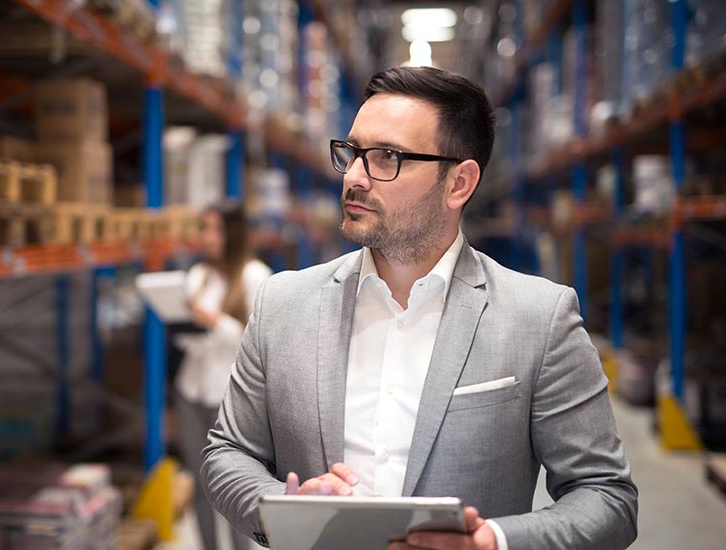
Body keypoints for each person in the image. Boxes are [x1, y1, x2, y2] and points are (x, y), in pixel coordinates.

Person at [200, 66, 638, 550]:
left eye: (387, 157)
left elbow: (607, 496)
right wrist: (284, 506)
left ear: (459, 184)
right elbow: (228, 452)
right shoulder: (284, 303)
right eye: (352, 153)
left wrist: (489, 541)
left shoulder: (539, 318)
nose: (355, 176)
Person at [174, 202, 271, 550]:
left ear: (233, 232)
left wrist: (212, 320)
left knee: (233, 486)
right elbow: (185, 339)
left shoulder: (254, 275)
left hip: (229, 396)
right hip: (191, 389)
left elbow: (256, 340)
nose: (207, 237)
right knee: (200, 484)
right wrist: (182, 322)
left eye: (214, 229)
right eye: (204, 228)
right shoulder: (197, 276)